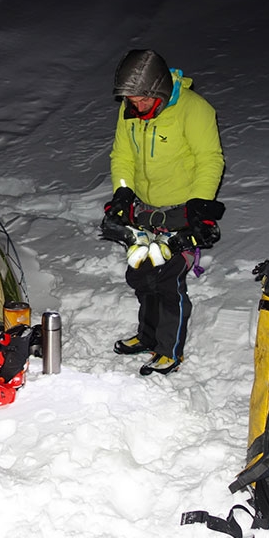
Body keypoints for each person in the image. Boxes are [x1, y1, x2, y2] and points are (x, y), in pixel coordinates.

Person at [104, 49, 225, 376]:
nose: (135, 106)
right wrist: (123, 191)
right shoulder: (129, 111)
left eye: (141, 99)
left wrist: (200, 205)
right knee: (141, 275)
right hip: (143, 212)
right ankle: (147, 336)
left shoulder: (195, 110)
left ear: (158, 90)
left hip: (181, 213)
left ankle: (168, 350)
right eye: (130, 99)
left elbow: (210, 160)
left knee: (168, 280)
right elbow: (122, 155)